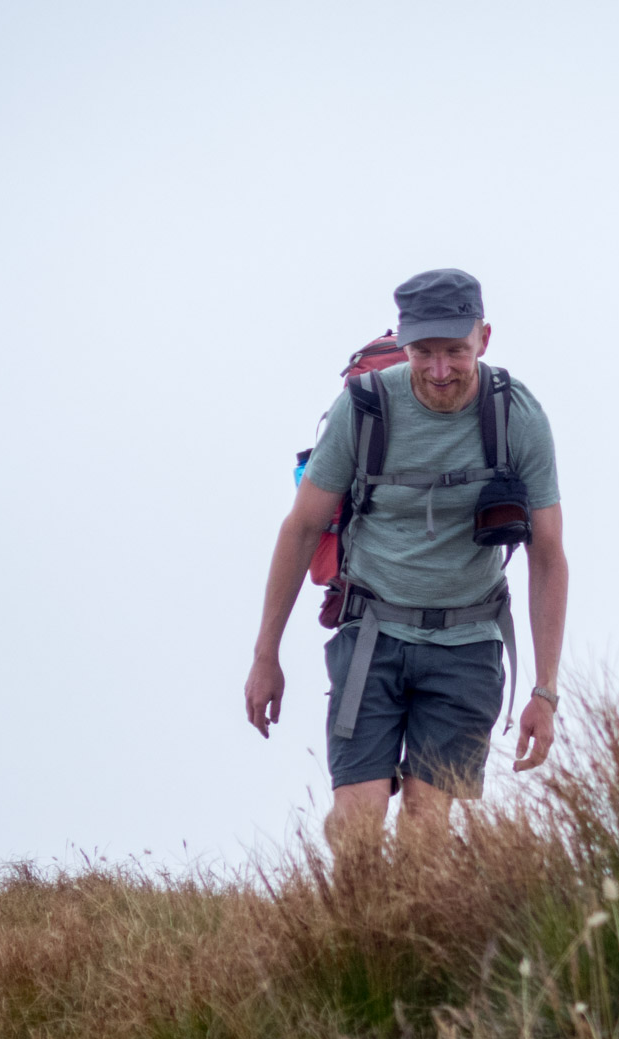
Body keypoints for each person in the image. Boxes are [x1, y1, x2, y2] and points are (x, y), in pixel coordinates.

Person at [243, 268, 567, 850]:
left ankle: (412, 944)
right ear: (403, 341)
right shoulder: (364, 411)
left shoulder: (517, 416)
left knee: (425, 831)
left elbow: (548, 555)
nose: (439, 371)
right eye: (423, 352)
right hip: (372, 636)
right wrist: (265, 655)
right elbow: (300, 529)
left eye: (455, 352)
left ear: (484, 339)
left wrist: (544, 691)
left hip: (467, 646)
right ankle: (350, 941)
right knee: (356, 827)